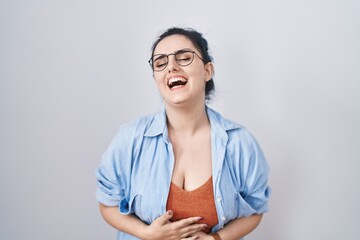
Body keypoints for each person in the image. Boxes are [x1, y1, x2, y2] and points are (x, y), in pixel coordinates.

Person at [95, 27, 270, 240]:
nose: (171, 67)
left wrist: (217, 239)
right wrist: (146, 233)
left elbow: (256, 208)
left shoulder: (240, 143)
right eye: (161, 63)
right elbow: (107, 203)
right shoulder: (129, 138)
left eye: (184, 58)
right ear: (156, 78)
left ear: (208, 70)